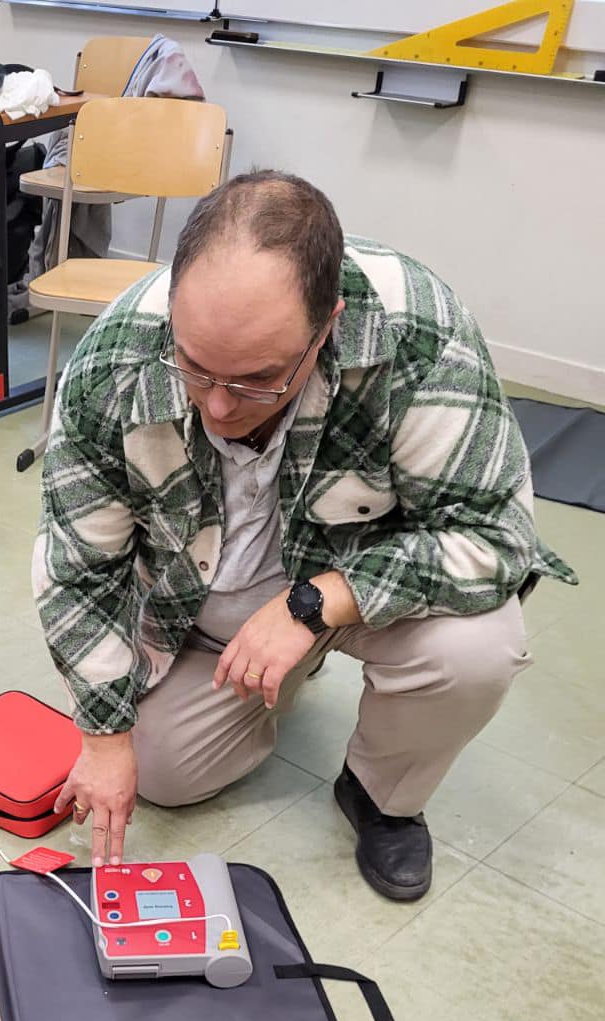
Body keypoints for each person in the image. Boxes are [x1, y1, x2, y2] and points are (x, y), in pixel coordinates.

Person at [34, 171, 576, 902]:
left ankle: (382, 794)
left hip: (364, 579)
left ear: (328, 326)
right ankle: (272, 679)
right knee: (161, 773)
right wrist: (102, 736)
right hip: (200, 602)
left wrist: (318, 603)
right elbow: (79, 569)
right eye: (193, 368)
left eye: (258, 379)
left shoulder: (418, 334)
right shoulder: (114, 361)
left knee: (477, 650)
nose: (220, 406)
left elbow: (498, 537)